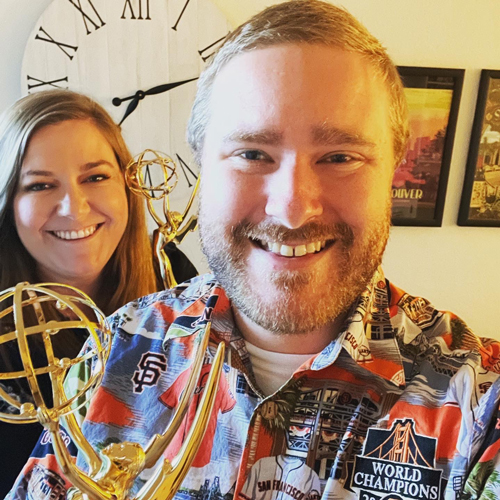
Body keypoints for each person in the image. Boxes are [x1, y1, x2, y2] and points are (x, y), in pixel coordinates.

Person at [7, 2, 500, 500]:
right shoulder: (119, 348)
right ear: (202, 167)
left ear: (392, 170)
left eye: (339, 157)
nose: (292, 210)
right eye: (252, 154)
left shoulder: (479, 402)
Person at [0, 89, 160, 496]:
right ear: (8, 203)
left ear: (127, 185)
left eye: (95, 177)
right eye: (40, 186)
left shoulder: (171, 276)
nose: (74, 207)